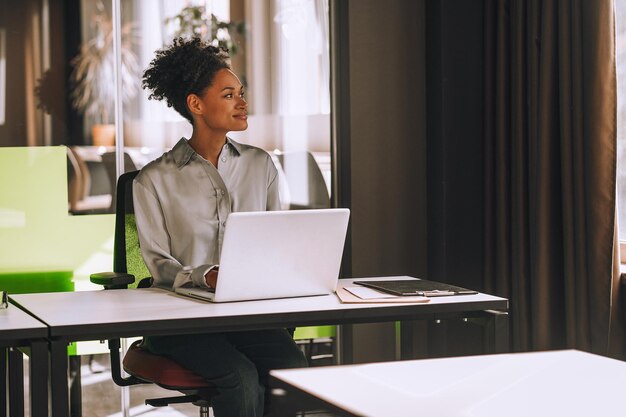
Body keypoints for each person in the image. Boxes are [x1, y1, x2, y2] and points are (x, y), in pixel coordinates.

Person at [133, 37, 308, 417]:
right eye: (229, 94)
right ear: (196, 104)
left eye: (241, 93)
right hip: (180, 324)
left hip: (245, 315)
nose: (243, 103)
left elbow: (279, 241)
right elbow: (158, 265)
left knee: (293, 371)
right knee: (240, 377)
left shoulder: (260, 166)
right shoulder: (153, 180)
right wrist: (205, 275)